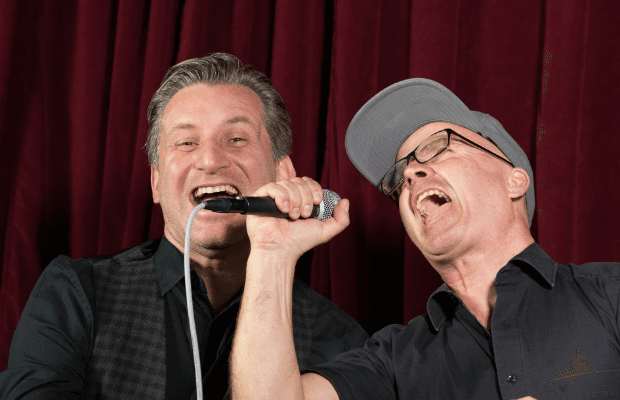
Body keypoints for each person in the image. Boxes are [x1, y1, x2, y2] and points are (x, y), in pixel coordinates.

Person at [0, 53, 368, 400]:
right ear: (156, 182)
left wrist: (273, 251)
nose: (209, 160)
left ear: (283, 174)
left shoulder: (335, 335)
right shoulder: (77, 293)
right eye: (186, 142)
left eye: (236, 139)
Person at [230, 78, 620, 399]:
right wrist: (271, 253)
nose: (409, 174)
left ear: (513, 180)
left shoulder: (610, 294)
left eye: (437, 146)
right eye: (398, 177)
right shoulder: (394, 359)